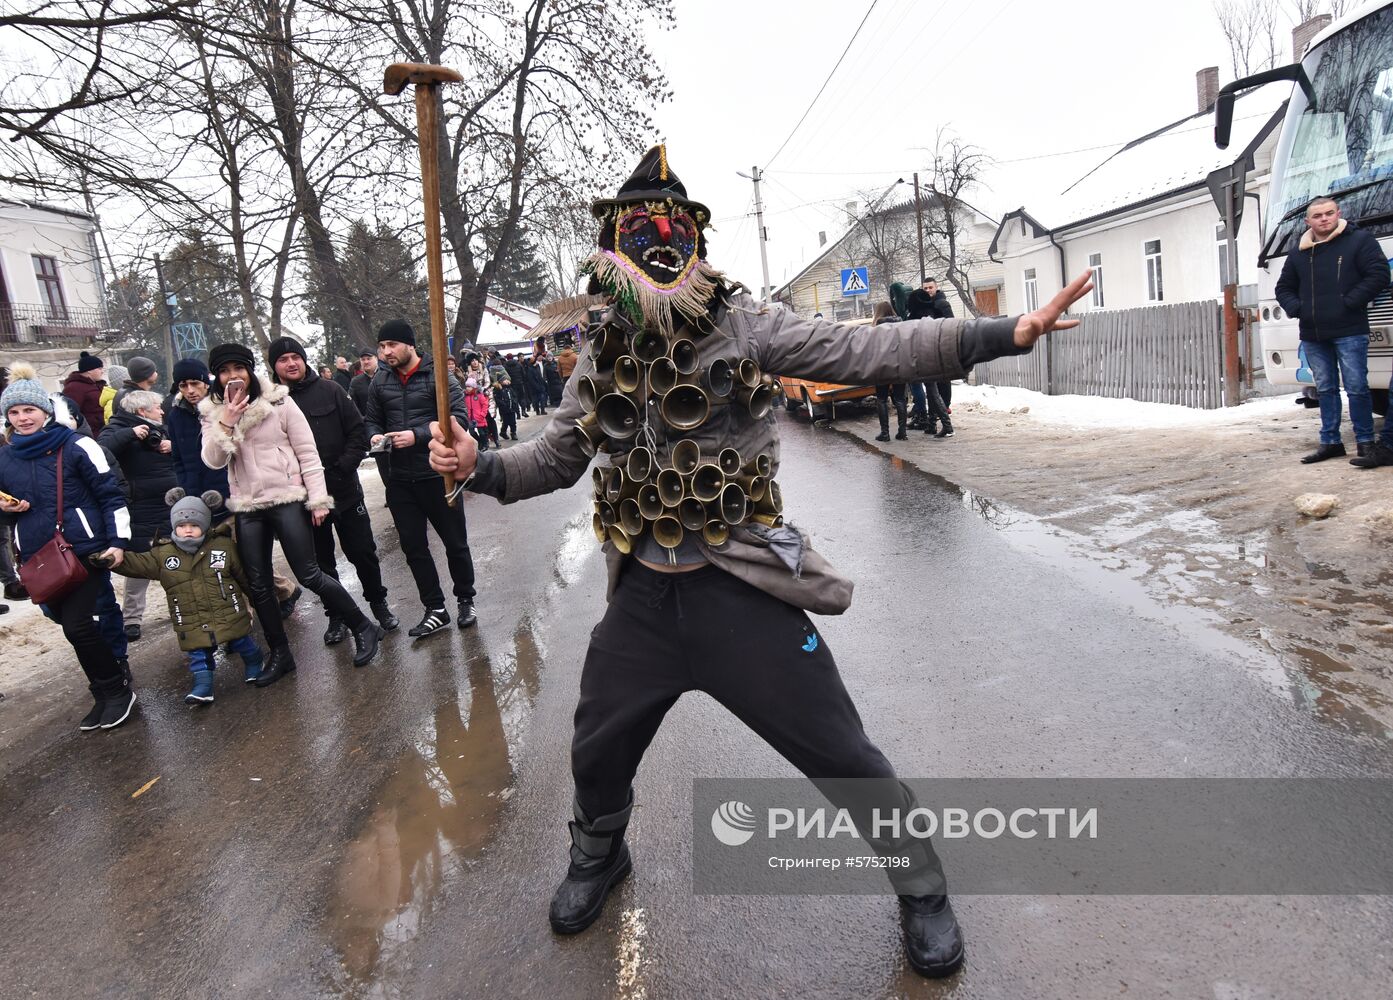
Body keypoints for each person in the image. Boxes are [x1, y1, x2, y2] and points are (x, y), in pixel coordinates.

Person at [425, 145, 1094, 979]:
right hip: (641, 599)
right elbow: (554, 461)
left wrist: (1000, 332)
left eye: (671, 228)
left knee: (838, 750)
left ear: (696, 241)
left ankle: (919, 883)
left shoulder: (741, 322)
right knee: (596, 746)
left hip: (738, 586)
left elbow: (863, 352)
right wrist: (477, 467)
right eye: (637, 229)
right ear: (610, 247)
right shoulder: (597, 351)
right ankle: (599, 855)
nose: (657, 242)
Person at [200, 342, 384, 685]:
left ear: (249, 369)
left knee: (309, 573)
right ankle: (281, 653)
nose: (232, 376)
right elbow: (212, 460)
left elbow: (307, 453)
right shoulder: (213, 410)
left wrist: (317, 500)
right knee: (259, 585)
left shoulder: (279, 401)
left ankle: (364, 626)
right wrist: (226, 421)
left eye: (237, 369)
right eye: (224, 371)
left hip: (286, 497)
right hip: (248, 505)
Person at [0, 363, 137, 731]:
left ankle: (115, 689)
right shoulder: (6, 457)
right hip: (38, 558)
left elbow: (111, 496)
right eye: (14, 412)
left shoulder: (77, 445)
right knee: (67, 624)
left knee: (79, 625)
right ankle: (105, 691)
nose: (22, 418)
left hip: (84, 548)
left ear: (45, 411)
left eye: (29, 410)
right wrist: (5, 506)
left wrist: (117, 542)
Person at [267, 336, 398, 641]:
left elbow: (357, 430)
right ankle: (336, 616)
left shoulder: (331, 390)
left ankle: (379, 604)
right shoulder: (271, 403)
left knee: (363, 552)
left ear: (304, 359)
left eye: (295, 357)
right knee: (320, 561)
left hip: (344, 489)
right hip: (303, 500)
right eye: (283, 359)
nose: (291, 363)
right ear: (275, 366)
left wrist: (343, 467)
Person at [94, 489, 264, 702]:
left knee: (242, 642)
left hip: (228, 613)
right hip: (190, 619)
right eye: (182, 526)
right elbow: (138, 563)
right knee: (198, 653)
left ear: (205, 524)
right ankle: (203, 684)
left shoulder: (222, 546)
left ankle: (255, 661)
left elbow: (243, 575)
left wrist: (259, 599)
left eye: (194, 525)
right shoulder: (163, 554)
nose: (188, 530)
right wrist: (110, 559)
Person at [364, 319, 477, 637]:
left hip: (438, 475)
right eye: (382, 346)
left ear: (409, 345)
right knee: (413, 547)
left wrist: (416, 435)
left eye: (392, 345)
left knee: (455, 543)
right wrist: (374, 438)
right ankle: (435, 609)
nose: (386, 352)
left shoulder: (438, 376)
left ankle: (465, 599)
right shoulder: (379, 381)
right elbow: (371, 419)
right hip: (399, 479)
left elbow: (460, 420)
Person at [166, 356, 304, 619]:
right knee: (221, 560)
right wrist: (187, 492)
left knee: (241, 559)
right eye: (183, 385)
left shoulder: (224, 408)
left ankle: (255, 609)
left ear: (207, 382)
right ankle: (259, 605)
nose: (190, 391)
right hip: (198, 499)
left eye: (195, 383)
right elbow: (179, 460)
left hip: (231, 496)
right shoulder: (176, 416)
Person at [1274, 196, 1392, 465]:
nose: (1324, 219)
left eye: (1329, 213)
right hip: (1314, 333)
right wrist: (1299, 309)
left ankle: (1365, 443)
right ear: (1308, 221)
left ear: (1338, 213)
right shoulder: (1299, 252)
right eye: (1318, 216)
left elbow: (1379, 275)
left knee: (1357, 388)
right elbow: (1283, 288)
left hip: (1350, 329)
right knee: (1325, 389)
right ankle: (1330, 442)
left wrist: (1348, 303)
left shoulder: (1359, 241)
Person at [98, 390, 178, 642]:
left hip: (170, 504)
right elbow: (100, 451)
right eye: (157, 407)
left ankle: (180, 609)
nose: (162, 411)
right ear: (142, 411)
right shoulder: (117, 428)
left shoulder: (163, 428)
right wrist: (129, 434)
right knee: (139, 564)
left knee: (176, 562)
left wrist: (172, 445)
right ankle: (132, 619)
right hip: (140, 508)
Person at [904, 277, 955, 437]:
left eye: (930, 288)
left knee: (939, 389)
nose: (928, 291)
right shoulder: (921, 307)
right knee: (932, 390)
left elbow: (950, 326)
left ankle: (942, 423)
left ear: (936, 287)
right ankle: (933, 423)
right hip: (927, 353)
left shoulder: (942, 305)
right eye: (925, 288)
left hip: (939, 352)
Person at [870, 302, 908, 441]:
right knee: (899, 398)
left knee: (881, 399)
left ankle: (885, 433)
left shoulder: (876, 328)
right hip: (900, 364)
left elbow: (872, 348)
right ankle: (902, 432)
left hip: (882, 366)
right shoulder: (901, 324)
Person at [62, 352, 108, 433]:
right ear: (90, 370)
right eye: (99, 369)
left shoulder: (98, 384)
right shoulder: (74, 388)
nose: (102, 371)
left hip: (104, 430)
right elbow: (70, 413)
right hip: (91, 433)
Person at [350, 347, 379, 416]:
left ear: (376, 359)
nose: (366, 362)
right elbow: (352, 406)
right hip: (366, 423)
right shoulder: (355, 382)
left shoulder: (386, 376)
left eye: (369, 358)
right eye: (363, 359)